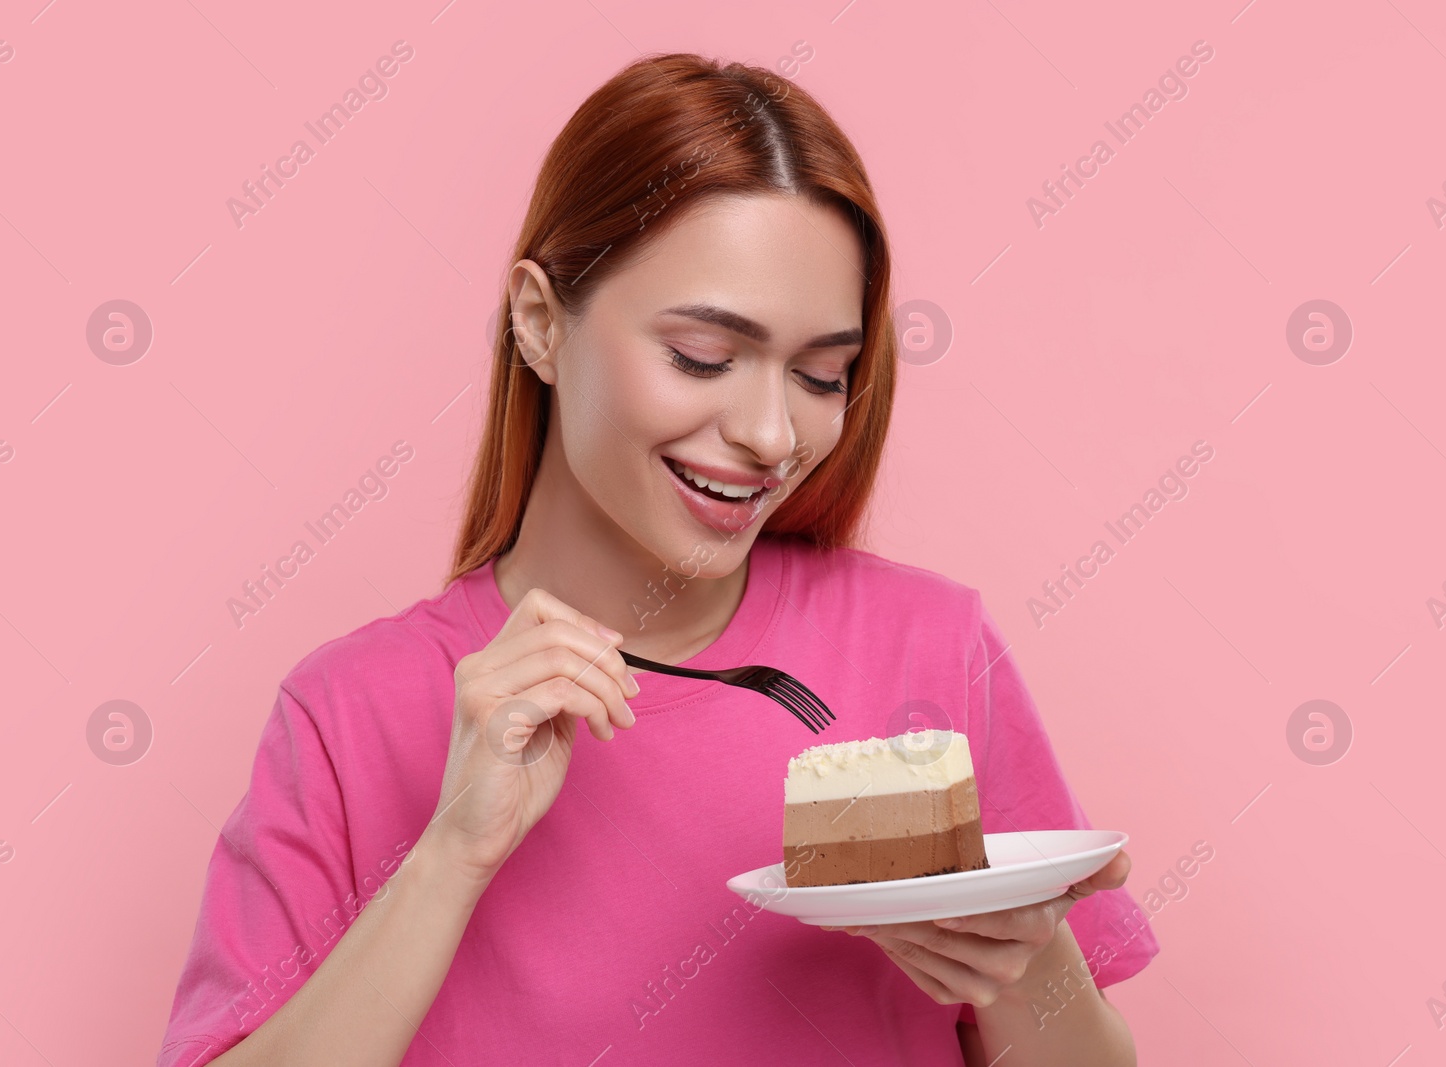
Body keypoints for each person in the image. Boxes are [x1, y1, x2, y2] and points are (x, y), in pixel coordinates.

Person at [156, 52, 1158, 1067]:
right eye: (702, 357)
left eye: (822, 373)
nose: (773, 433)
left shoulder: (930, 648)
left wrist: (1018, 955)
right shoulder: (348, 714)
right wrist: (451, 854)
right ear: (543, 323)